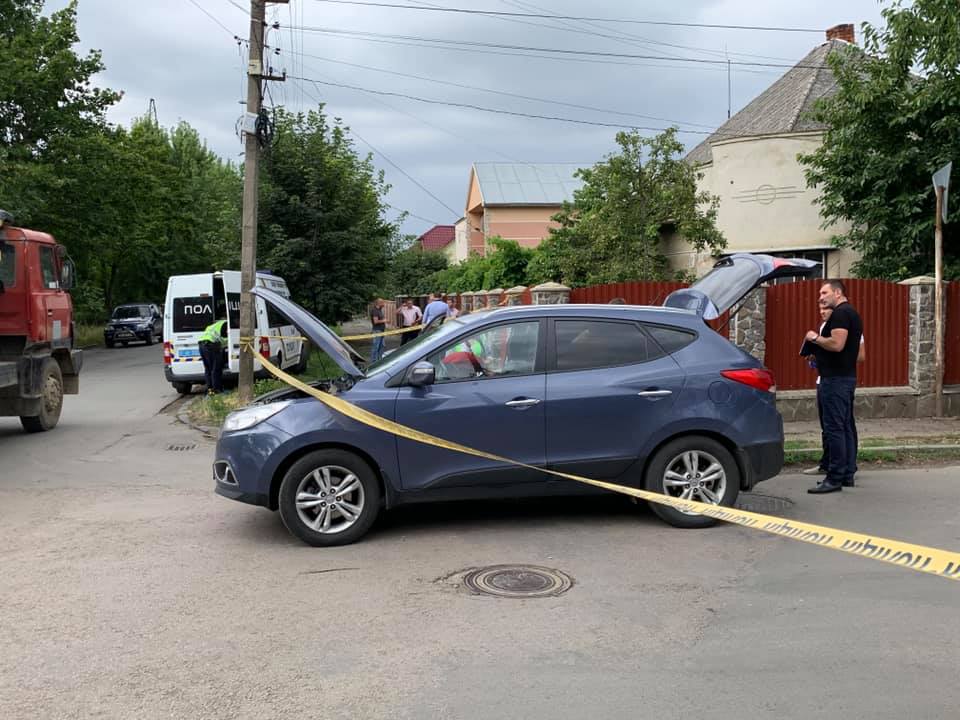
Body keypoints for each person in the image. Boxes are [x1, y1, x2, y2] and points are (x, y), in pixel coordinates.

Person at [804, 280, 863, 494]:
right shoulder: (851, 313)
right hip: (845, 378)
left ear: (837, 293)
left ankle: (834, 478)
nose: (820, 297)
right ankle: (847, 474)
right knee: (845, 426)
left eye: (824, 292)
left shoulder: (840, 314)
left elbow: (837, 344)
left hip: (835, 380)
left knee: (834, 428)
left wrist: (815, 338)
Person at [198, 317, 227, 395]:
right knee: (216, 368)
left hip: (201, 345)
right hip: (211, 345)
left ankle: (210, 390)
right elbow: (226, 338)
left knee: (208, 369)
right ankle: (217, 390)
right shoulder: (226, 324)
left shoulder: (213, 326)